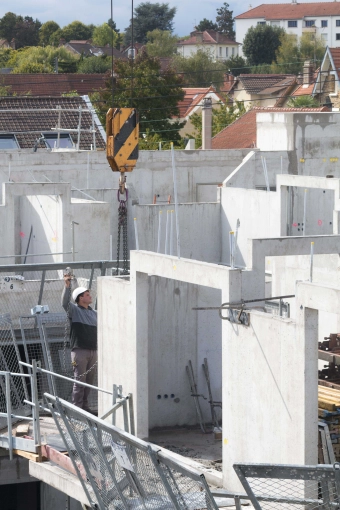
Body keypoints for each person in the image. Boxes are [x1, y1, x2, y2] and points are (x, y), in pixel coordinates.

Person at [61, 274, 97, 411]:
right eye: (87, 294)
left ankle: (85, 408)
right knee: (79, 381)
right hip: (80, 350)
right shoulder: (74, 311)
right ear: (80, 298)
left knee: (89, 382)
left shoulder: (95, 314)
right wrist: (67, 286)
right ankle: (77, 409)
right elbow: (64, 303)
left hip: (94, 351)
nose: (90, 296)